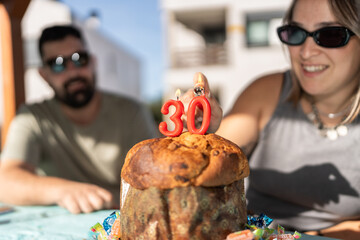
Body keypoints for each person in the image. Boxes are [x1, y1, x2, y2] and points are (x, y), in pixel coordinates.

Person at [183, 0, 360, 239]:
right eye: (295, 33)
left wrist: (289, 237)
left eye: (330, 35)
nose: (306, 52)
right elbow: (198, 172)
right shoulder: (266, 91)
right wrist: (201, 135)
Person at [0, 25, 158, 214]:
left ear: (92, 62)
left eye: (79, 59)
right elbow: (5, 181)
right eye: (58, 64)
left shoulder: (132, 112)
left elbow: (156, 176)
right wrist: (62, 191)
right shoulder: (32, 117)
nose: (73, 72)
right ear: (44, 75)